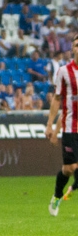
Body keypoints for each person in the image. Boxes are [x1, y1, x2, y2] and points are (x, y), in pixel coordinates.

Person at [45, 35, 78, 217]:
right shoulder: (64, 71)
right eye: (76, 45)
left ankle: (67, 191)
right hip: (70, 128)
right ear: (72, 49)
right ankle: (58, 195)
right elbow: (58, 100)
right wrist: (50, 126)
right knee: (69, 169)